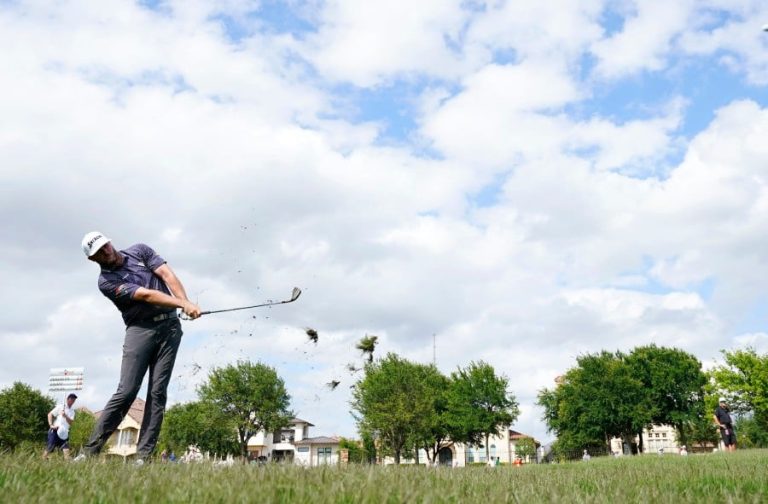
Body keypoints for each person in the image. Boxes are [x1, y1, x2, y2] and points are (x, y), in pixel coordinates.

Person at [74, 232, 200, 463]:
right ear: (92, 260)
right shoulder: (106, 282)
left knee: (157, 392)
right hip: (140, 331)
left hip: (170, 329)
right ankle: (89, 452)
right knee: (127, 391)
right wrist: (184, 304)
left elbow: (166, 274)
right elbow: (147, 295)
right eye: (99, 253)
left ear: (110, 241)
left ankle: (143, 456)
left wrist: (185, 302)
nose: (106, 252)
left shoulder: (139, 250)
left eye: (105, 246)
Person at [43, 393, 77, 460]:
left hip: (64, 433)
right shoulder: (60, 407)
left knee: (66, 450)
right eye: (71, 399)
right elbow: (50, 414)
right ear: (67, 399)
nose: (72, 401)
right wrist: (51, 425)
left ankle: (68, 467)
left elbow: (71, 422)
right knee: (50, 448)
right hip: (55, 430)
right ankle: (42, 461)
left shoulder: (72, 411)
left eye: (74, 400)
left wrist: (65, 416)